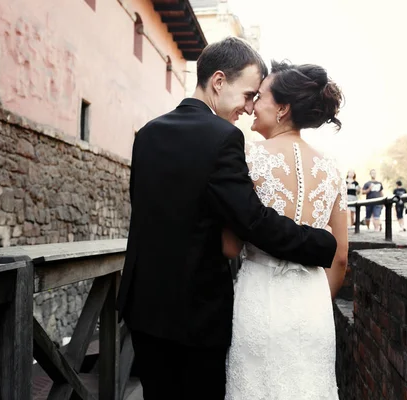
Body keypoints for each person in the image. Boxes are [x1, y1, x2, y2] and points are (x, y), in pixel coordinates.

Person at [116, 38, 337, 400]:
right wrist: (319, 242)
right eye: (249, 94)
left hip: (143, 307)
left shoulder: (148, 133)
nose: (250, 108)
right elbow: (254, 221)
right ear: (218, 82)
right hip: (196, 316)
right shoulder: (223, 138)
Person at [224, 60, 348, 399]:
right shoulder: (332, 169)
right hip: (313, 305)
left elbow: (231, 246)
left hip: (259, 300)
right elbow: (339, 259)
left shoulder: (249, 160)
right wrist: (318, 300)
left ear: (282, 108)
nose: (251, 106)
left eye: (259, 96)